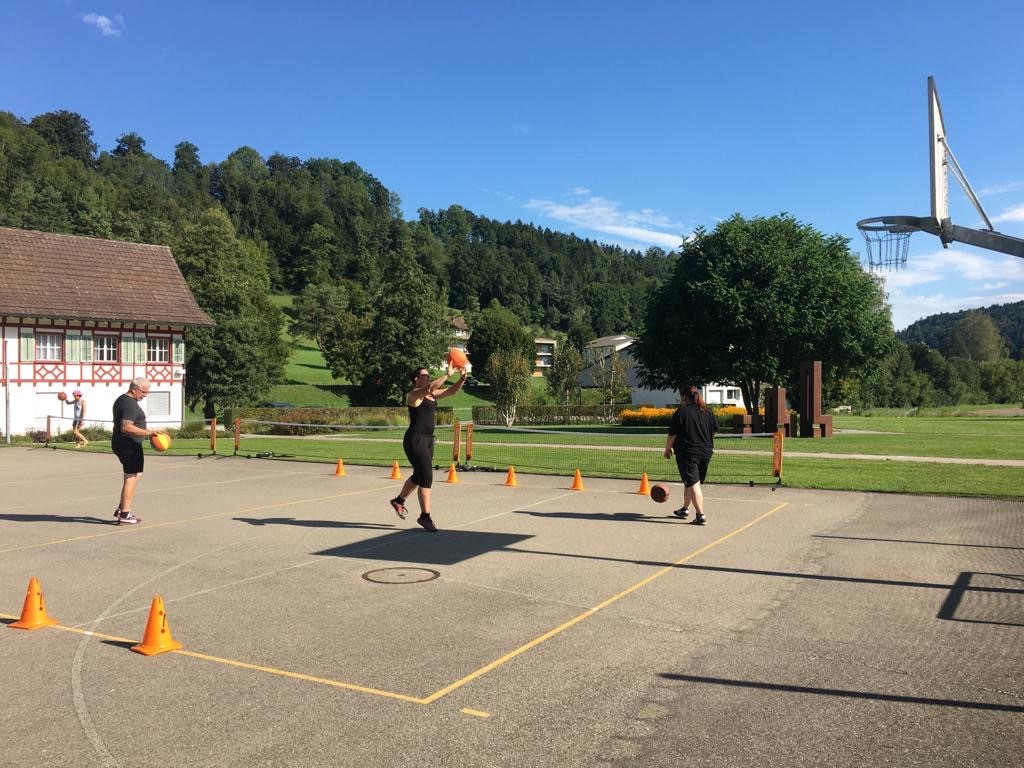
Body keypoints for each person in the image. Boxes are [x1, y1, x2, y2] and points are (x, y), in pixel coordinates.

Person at [389, 362, 467, 532]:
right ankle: (425, 517)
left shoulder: (431, 395)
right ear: (416, 379)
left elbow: (451, 391)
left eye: (428, 375)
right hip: (415, 440)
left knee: (419, 475)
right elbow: (431, 387)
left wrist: (462, 378)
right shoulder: (414, 394)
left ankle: (399, 501)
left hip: (428, 440)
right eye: (424, 375)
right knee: (427, 476)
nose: (428, 377)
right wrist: (447, 375)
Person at [111, 377, 165, 526]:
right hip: (128, 444)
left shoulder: (121, 399)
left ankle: (122, 508)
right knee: (131, 477)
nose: (145, 395)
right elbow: (126, 427)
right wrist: (149, 432)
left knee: (136, 475)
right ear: (134, 389)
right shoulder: (130, 404)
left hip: (124, 443)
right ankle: (125, 514)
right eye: (144, 392)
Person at [663, 385, 718, 525]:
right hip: (706, 452)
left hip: (688, 453)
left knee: (694, 484)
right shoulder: (707, 411)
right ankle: (685, 509)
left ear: (684, 397)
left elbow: (672, 434)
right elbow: (714, 431)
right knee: (690, 481)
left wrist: (667, 449)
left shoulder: (681, 412)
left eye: (680, 397)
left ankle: (700, 515)